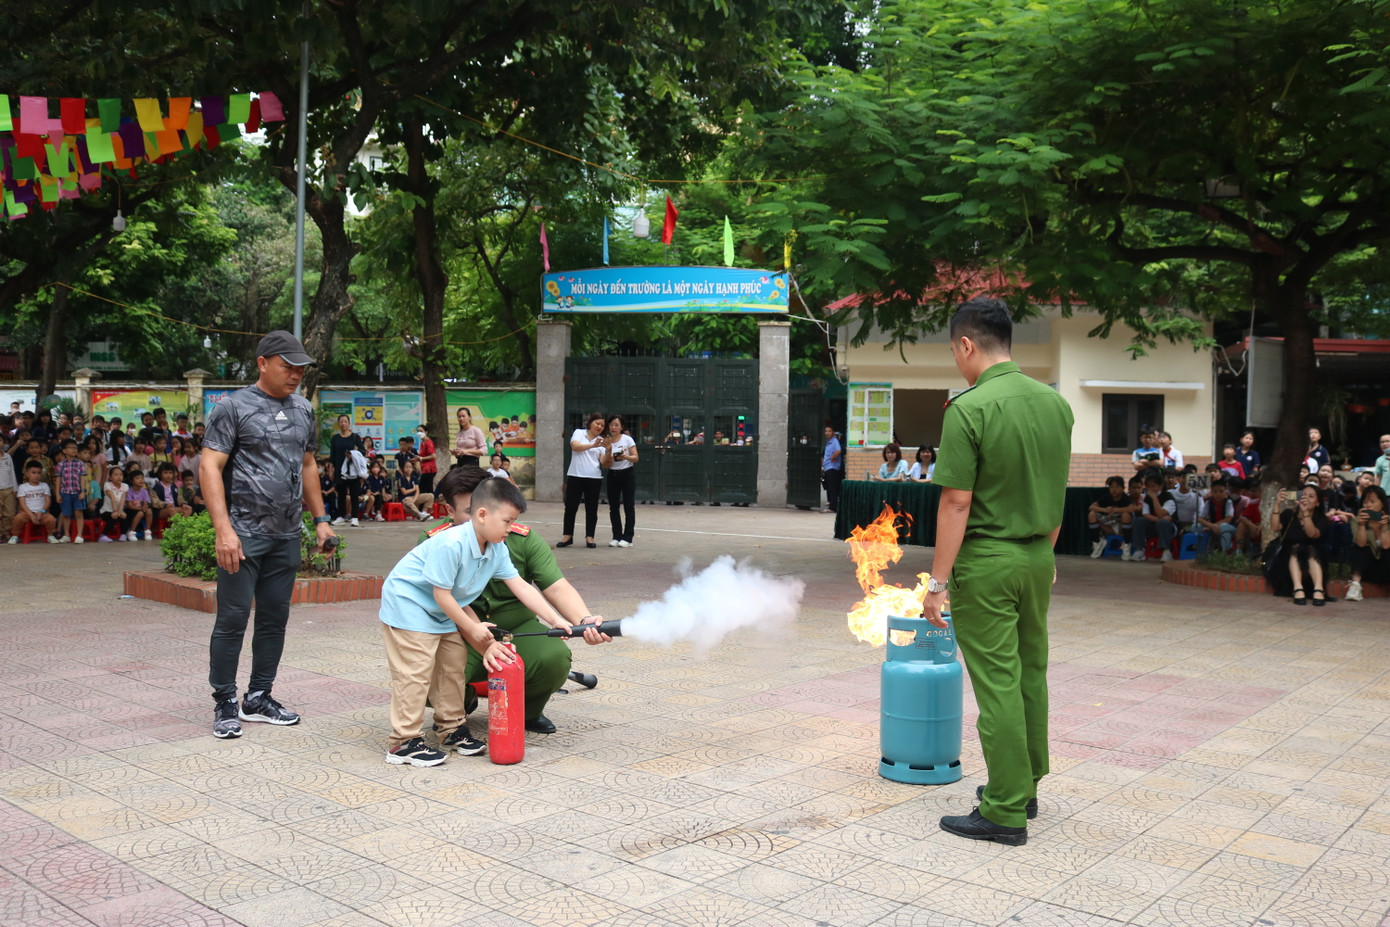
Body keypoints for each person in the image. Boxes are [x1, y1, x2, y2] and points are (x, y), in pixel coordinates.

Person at [921, 297, 1074, 846]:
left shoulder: (969, 408)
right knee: (1031, 672)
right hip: (1037, 557)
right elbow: (1056, 490)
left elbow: (956, 502)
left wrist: (937, 584)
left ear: (966, 344)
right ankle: (1025, 784)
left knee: (998, 685)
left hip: (987, 562)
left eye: (953, 351)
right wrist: (1045, 554)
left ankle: (1005, 810)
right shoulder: (1056, 404)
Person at [377, 476, 578, 766]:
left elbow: (521, 586)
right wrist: (472, 628)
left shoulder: (496, 548)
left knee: (452, 665)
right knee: (416, 673)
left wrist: (555, 619)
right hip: (409, 607)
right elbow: (442, 595)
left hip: (441, 610)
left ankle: (451, 730)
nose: (510, 528)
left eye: (513, 522)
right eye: (507, 521)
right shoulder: (451, 543)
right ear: (482, 514)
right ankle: (403, 742)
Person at [200, 330, 335, 740]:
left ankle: (258, 697)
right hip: (242, 534)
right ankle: (225, 700)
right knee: (233, 618)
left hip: (285, 534)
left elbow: (308, 465)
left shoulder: (303, 409)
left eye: (300, 369)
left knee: (275, 617)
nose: (295, 375)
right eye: (287, 366)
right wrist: (223, 530)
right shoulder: (232, 407)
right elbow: (209, 467)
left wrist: (321, 519)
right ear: (262, 363)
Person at [1274, 484, 1330, 605]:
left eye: (1311, 496)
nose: (1306, 498)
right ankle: (1298, 588)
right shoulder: (1289, 514)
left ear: (1318, 503)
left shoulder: (1321, 519)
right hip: (1287, 558)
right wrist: (1277, 504)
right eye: (1303, 495)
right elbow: (1275, 527)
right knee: (1296, 548)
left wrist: (1305, 513)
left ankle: (1319, 589)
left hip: (1313, 558)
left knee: (1310, 549)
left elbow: (1312, 534)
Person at [558, 413, 606, 549]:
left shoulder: (602, 441)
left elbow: (603, 461)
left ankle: (590, 537)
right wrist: (592, 445)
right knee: (570, 507)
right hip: (575, 475)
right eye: (597, 423)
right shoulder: (579, 433)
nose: (599, 427)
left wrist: (609, 452)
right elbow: (575, 446)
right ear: (590, 423)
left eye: (602, 425)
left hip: (594, 478)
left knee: (592, 509)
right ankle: (568, 536)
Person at [1345, 486, 1389, 602]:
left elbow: (1386, 546)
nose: (1368, 505)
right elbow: (1360, 544)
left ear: (1382, 504)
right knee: (1359, 547)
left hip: (1386, 569)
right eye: (1365, 502)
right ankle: (1355, 585)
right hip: (1367, 569)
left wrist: (1385, 527)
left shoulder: (1388, 521)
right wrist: (1362, 525)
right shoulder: (1356, 520)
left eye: (1372, 502)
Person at [601, 414, 638, 548]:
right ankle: (616, 535)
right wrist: (609, 454)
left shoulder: (627, 439)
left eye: (617, 425)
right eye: (611, 425)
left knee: (628, 506)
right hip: (613, 474)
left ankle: (628, 537)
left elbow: (636, 457)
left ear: (622, 427)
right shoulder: (606, 441)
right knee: (613, 507)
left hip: (627, 474)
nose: (614, 427)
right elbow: (605, 464)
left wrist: (625, 457)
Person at [329, 414, 366, 527]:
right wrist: (331, 469)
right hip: (339, 470)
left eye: (345, 421)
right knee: (341, 494)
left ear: (349, 423)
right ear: (338, 424)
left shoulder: (355, 437)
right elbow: (332, 455)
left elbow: (363, 451)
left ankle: (355, 517)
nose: (343, 424)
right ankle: (341, 516)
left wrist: (353, 455)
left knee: (354, 494)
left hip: (352, 470)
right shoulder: (335, 438)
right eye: (341, 422)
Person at [11, 461, 58, 543]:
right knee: (17, 519)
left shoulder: (44, 486)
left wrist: (41, 512)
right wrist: (31, 515)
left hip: (42, 512)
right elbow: (22, 503)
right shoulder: (22, 487)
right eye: (33, 473)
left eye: (39, 473)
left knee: (51, 519)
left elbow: (48, 501)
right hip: (26, 513)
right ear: (27, 473)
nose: (36, 475)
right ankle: (15, 535)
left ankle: (50, 535)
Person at [1087, 476, 1134, 557]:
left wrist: (1115, 510)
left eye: (1117, 487)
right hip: (1108, 523)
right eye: (1111, 487)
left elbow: (1132, 508)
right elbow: (1091, 507)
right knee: (1092, 514)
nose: (1114, 489)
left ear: (1123, 488)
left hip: (1120, 525)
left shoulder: (1126, 498)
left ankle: (1126, 544)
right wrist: (1105, 510)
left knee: (1126, 515)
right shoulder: (1107, 497)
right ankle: (1097, 542)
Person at [54, 439, 87, 543]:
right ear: (64, 450)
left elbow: (83, 478)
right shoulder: (60, 465)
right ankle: (66, 535)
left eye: (75, 448)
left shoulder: (80, 463)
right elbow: (58, 480)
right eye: (71, 448)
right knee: (66, 514)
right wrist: (57, 494)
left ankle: (79, 535)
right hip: (65, 492)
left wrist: (83, 491)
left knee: (79, 513)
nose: (74, 450)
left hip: (77, 492)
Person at [1196, 480, 1237, 553]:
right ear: (1211, 493)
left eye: (1221, 491)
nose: (1218, 494)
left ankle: (1225, 553)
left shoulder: (1229, 502)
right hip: (1212, 526)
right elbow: (1199, 518)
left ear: (1226, 493)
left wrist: (1213, 526)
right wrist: (1211, 526)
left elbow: (1228, 519)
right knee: (1195, 527)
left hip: (1230, 527)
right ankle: (1200, 551)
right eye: (1215, 491)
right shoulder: (1209, 502)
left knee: (1224, 527)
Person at [100, 465, 131, 541]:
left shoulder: (125, 486)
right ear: (110, 477)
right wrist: (115, 511)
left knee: (124, 516)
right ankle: (103, 535)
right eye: (116, 475)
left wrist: (120, 511)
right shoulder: (107, 485)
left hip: (118, 510)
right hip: (106, 511)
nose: (119, 477)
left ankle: (123, 534)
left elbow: (123, 499)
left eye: (121, 474)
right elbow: (112, 498)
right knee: (114, 517)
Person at [124, 469, 154, 540]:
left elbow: (145, 503)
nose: (140, 480)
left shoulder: (144, 491)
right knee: (140, 513)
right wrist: (141, 508)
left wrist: (145, 507)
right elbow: (129, 505)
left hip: (141, 509)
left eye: (142, 478)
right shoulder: (129, 491)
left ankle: (147, 530)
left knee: (149, 511)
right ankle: (131, 531)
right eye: (137, 478)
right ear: (132, 481)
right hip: (130, 510)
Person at [0, 434, 17, 542]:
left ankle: (6, 533)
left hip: (8, 488)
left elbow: (12, 473)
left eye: (0, 440)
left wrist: (15, 489)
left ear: (4, 443)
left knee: (9, 513)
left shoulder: (7, 457)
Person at [821, 426, 843, 513]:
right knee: (830, 487)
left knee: (833, 487)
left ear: (833, 432)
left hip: (832, 467)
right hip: (827, 467)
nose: (827, 433)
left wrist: (833, 457)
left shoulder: (834, 441)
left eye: (829, 431)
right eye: (826, 431)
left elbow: (838, 450)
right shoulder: (828, 442)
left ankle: (833, 507)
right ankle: (832, 504)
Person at [415, 423, 439, 495]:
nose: (419, 433)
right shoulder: (422, 443)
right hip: (424, 469)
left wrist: (421, 458)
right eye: (418, 431)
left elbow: (433, 455)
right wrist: (417, 459)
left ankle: (432, 500)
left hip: (429, 469)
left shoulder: (428, 442)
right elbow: (422, 456)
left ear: (426, 432)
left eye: (421, 431)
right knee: (426, 489)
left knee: (423, 488)